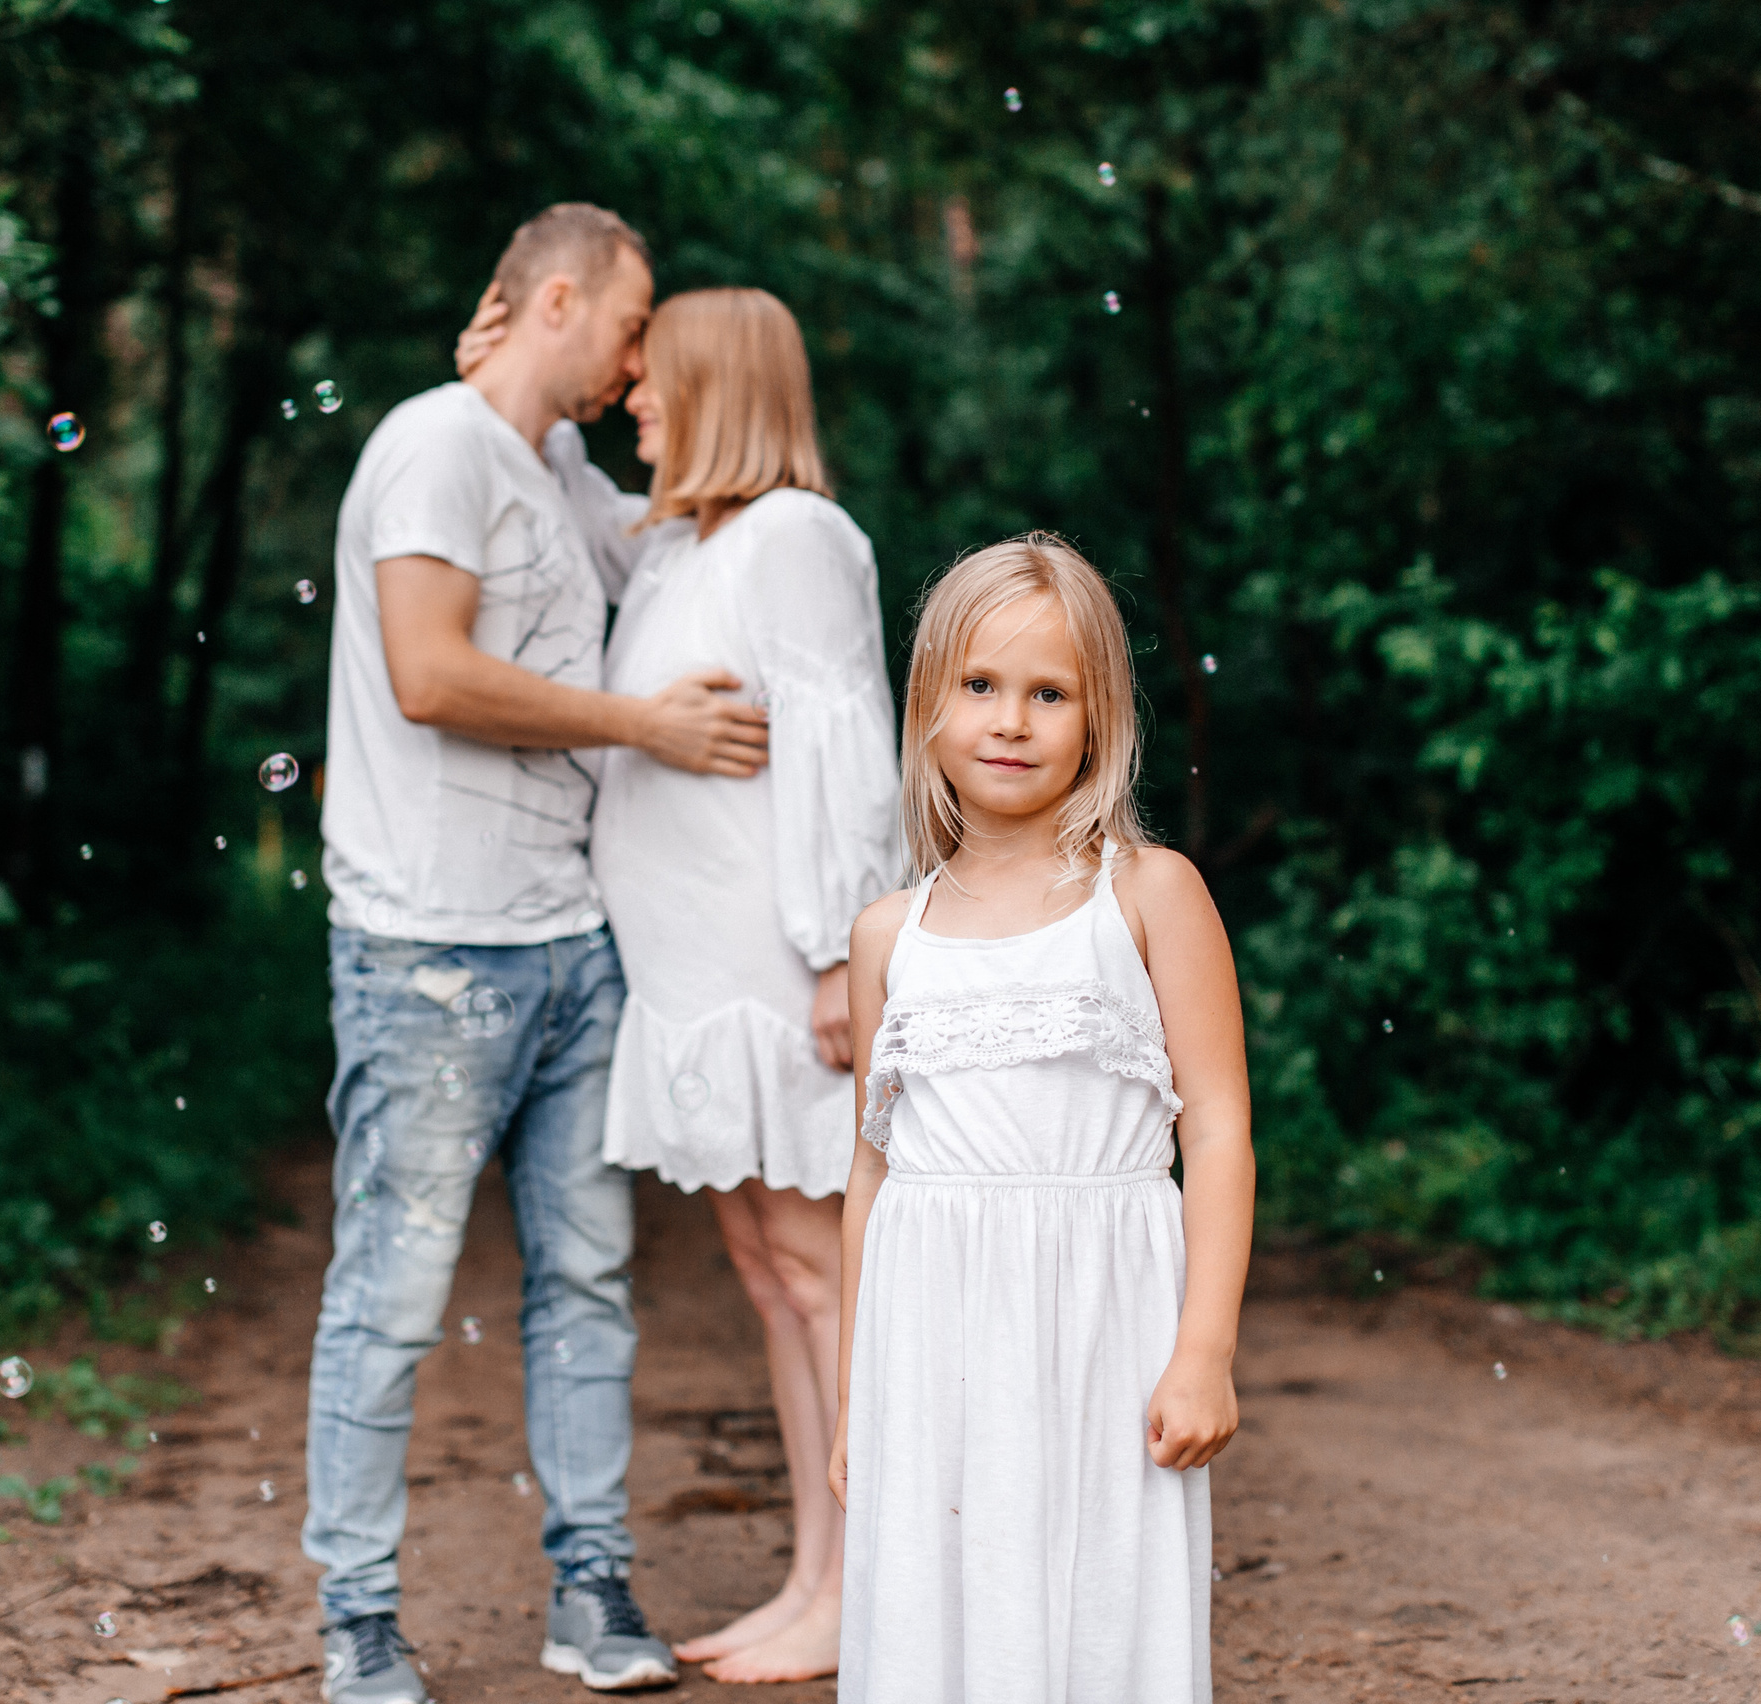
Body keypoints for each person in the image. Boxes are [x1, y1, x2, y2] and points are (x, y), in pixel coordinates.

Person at [307, 202, 769, 1704]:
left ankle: (591, 1588)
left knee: (589, 1282)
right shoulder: (431, 445)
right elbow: (428, 674)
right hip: (429, 953)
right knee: (394, 1293)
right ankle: (358, 1619)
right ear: (557, 301)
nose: (641, 361)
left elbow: (672, 548)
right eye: (632, 327)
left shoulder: (552, 468)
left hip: (574, 945)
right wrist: (645, 729)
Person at [827, 535, 1257, 1704]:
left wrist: (1204, 1352)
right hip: (930, 1337)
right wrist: (856, 1396)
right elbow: (870, 1174)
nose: (1009, 721)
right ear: (928, 705)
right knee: (936, 1607)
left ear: (1099, 716)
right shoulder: (887, 936)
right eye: (979, 685)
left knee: (1094, 1599)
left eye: (1048, 693)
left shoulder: (1149, 895)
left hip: (1102, 1324)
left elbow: (1217, 1130)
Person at [592, 288, 899, 1683]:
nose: (631, 398)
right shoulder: (675, 546)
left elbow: (845, 745)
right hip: (691, 973)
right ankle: (813, 1576)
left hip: (779, 968)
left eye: (653, 378)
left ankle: (869, 1590)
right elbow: (555, 487)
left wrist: (842, 951)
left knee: (825, 1276)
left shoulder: (796, 538)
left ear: (720, 386)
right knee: (774, 1279)